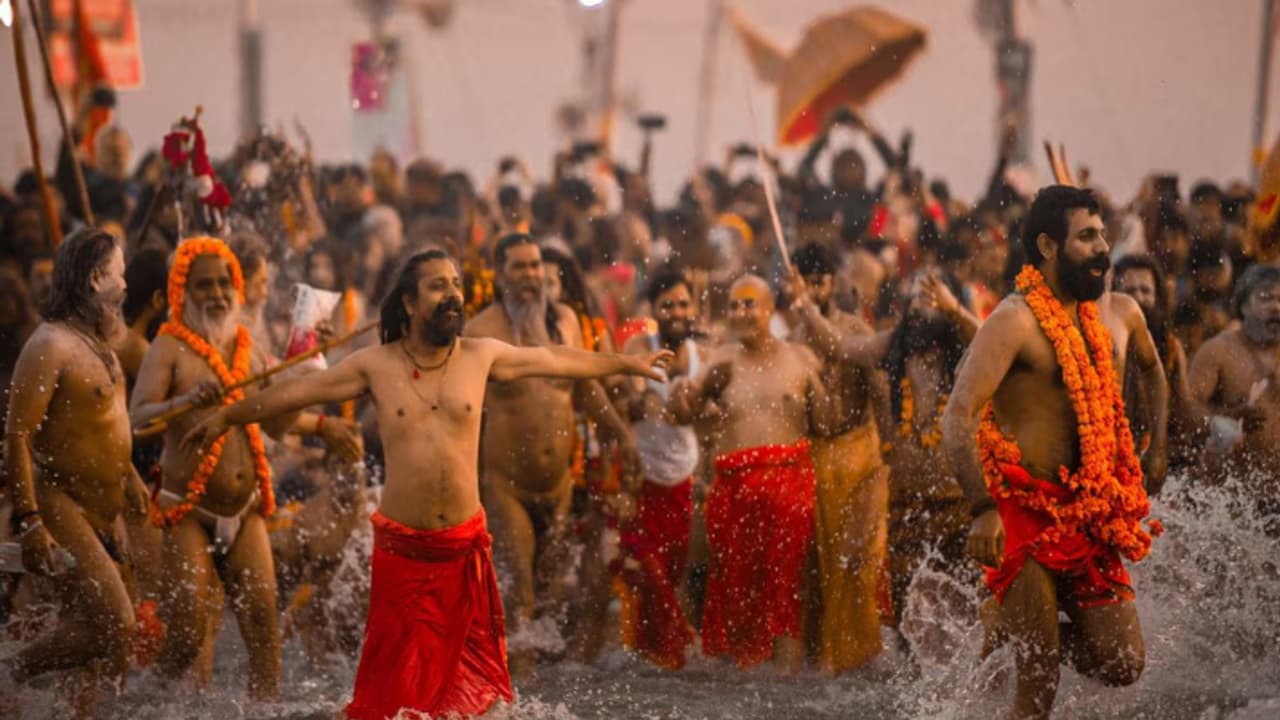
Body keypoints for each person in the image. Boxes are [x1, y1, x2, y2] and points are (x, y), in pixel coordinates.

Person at [182, 249, 672, 720]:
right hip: (404, 555)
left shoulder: (482, 356)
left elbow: (556, 359)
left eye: (456, 284)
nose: (453, 294)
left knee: (479, 701)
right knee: (389, 703)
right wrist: (229, 415)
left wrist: (627, 365)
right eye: (439, 286)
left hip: (463, 551)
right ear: (410, 303)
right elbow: (296, 392)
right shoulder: (375, 365)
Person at [941, 186, 1167, 719]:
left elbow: (1153, 370)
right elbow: (958, 416)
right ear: (1047, 245)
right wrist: (982, 509)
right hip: (1023, 514)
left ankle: (1010, 628)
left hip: (1090, 514)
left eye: (1103, 235)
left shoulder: (1116, 313)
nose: (1102, 248)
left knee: (1123, 662)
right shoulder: (1012, 321)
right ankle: (1024, 631)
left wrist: (1157, 446)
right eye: (1087, 237)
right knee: (1037, 687)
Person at [129, 237, 301, 698]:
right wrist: (184, 401)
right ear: (182, 291)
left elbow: (282, 425)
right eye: (203, 285)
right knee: (186, 632)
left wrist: (297, 377)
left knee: (264, 627)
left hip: (245, 511)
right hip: (188, 509)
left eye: (225, 283)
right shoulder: (167, 347)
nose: (217, 293)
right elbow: (136, 419)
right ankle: (141, 705)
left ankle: (265, 712)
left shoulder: (251, 347)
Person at [463, 234, 637, 673]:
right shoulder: (482, 331)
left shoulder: (566, 321)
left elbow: (585, 385)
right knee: (519, 588)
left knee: (552, 592)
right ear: (501, 274)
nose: (530, 277)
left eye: (535, 266)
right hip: (507, 486)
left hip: (559, 483)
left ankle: (548, 688)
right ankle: (517, 687)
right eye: (519, 268)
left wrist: (620, 434)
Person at [2, 230, 148, 707]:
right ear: (95, 278)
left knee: (98, 653)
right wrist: (29, 521)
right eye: (120, 273)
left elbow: (106, 424)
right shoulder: (50, 344)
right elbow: (17, 436)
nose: (125, 284)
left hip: (105, 511)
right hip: (60, 504)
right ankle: (8, 670)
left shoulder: (100, 340)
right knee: (115, 622)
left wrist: (129, 482)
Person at [669, 274, 840, 672]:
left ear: (769, 310)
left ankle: (786, 685)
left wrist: (829, 383)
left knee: (787, 593)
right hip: (733, 495)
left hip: (789, 490)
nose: (739, 312)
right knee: (737, 596)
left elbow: (828, 425)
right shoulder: (719, 361)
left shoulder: (801, 358)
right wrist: (685, 391)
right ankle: (747, 691)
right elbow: (683, 414)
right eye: (733, 305)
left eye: (748, 304)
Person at [778, 243, 892, 673]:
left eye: (819, 281)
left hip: (860, 456)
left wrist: (889, 457)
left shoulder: (852, 330)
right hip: (812, 459)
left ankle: (861, 656)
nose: (812, 288)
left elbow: (880, 392)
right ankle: (820, 664)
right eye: (805, 281)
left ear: (832, 284)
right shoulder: (789, 340)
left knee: (858, 561)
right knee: (813, 569)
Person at [616, 266, 707, 669]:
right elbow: (630, 398)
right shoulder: (640, 346)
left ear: (694, 309)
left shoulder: (706, 355)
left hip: (688, 481)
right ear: (653, 309)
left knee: (676, 579)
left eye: (683, 304)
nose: (676, 311)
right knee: (651, 578)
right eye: (667, 304)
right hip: (643, 484)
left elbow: (715, 413)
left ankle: (667, 665)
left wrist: (697, 406)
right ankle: (671, 654)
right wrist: (643, 402)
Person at [1187, 263, 1280, 527]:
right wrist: (1224, 421)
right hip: (1233, 502)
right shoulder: (1218, 351)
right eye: (1265, 298)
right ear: (1243, 306)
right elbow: (1186, 410)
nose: (1276, 307)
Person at [1113, 254, 1192, 480]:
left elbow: (1186, 409)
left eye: (1145, 291)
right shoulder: (1104, 338)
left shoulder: (1170, 347)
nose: (1138, 298)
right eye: (1129, 291)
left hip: (1153, 461)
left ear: (1158, 298)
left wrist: (1223, 418)